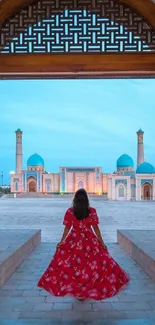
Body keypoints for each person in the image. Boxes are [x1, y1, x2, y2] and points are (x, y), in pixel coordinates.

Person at [38, 189, 129, 300]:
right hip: (89, 241)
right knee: (90, 265)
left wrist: (61, 242)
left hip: (73, 240)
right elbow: (96, 228)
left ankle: (79, 291)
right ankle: (86, 290)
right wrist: (101, 243)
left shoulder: (70, 212)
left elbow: (67, 229)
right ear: (86, 199)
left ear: (75, 199)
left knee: (75, 266)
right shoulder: (91, 211)